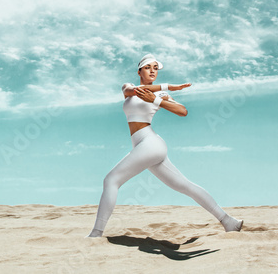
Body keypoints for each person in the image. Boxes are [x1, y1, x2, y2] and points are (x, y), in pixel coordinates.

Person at [86, 54, 243, 238]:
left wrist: (157, 99)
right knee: (184, 185)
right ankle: (228, 221)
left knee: (111, 180)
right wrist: (169, 86)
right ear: (139, 71)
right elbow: (131, 91)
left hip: (150, 144)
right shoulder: (129, 88)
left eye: (155, 68)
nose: (153, 71)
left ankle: (96, 233)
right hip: (143, 146)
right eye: (148, 67)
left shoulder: (160, 95)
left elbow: (183, 111)